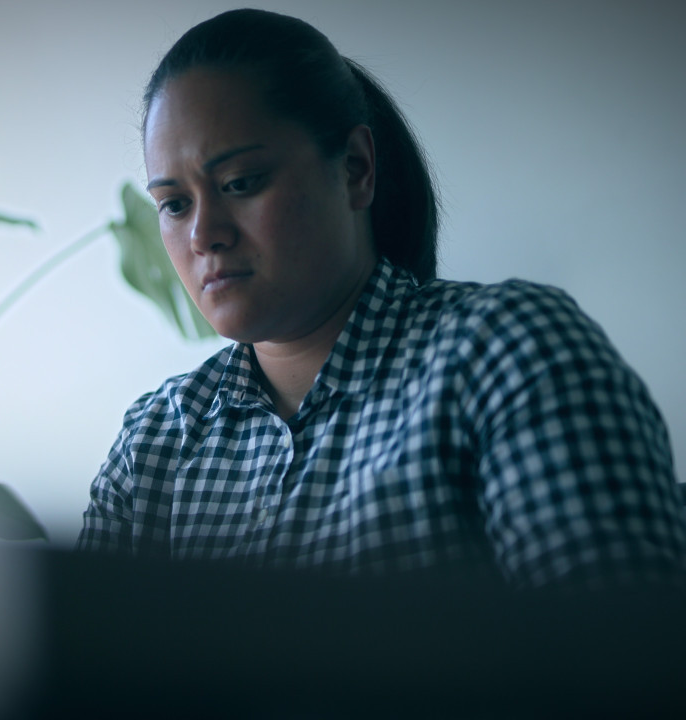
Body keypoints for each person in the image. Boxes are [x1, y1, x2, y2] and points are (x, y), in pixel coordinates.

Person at [77, 8, 686, 589]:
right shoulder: (154, 441)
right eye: (174, 204)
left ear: (356, 168)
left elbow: (620, 664)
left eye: (241, 183)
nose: (204, 233)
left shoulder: (506, 351)